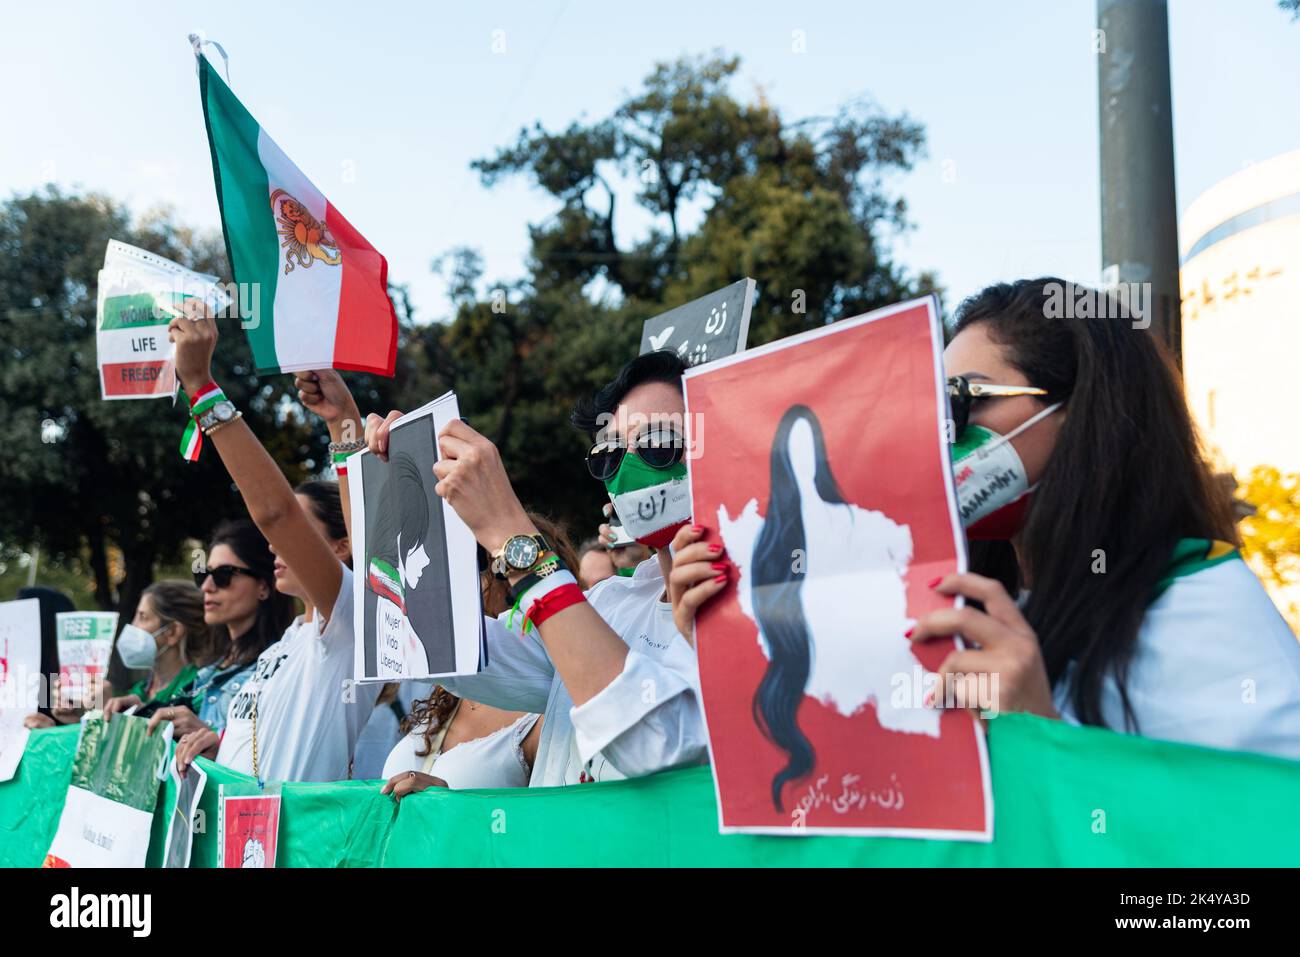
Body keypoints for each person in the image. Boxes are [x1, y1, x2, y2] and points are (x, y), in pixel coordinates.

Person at [670, 276, 1300, 761]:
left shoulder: (1202, 609)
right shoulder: (972, 609)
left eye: (957, 402)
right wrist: (733, 642)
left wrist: (1044, 736)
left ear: (1084, 413)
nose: (936, 435)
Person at [365, 350, 708, 786]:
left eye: (657, 443)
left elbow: (651, 741)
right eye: (610, 455)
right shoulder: (609, 602)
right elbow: (453, 656)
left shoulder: (753, 606)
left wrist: (512, 533)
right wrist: (412, 484)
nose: (630, 467)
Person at [166, 302, 381, 782]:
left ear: (343, 548)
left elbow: (274, 512)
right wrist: (219, 745)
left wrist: (202, 388)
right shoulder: (287, 644)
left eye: (298, 535)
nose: (274, 546)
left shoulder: (347, 624)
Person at [378, 512, 574, 798]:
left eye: (471, 566)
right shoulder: (453, 690)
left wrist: (455, 807)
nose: (450, 581)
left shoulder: (551, 703)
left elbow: (549, 822)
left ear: (513, 584)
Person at [139, 520, 294, 740]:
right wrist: (140, 711)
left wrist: (210, 738)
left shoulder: (279, 669)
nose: (206, 587)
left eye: (224, 575)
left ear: (264, 585)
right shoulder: (210, 669)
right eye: (203, 574)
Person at [101, 580, 215, 721]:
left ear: (172, 632)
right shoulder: (141, 690)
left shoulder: (201, 690)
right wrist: (101, 710)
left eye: (143, 617)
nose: (133, 625)